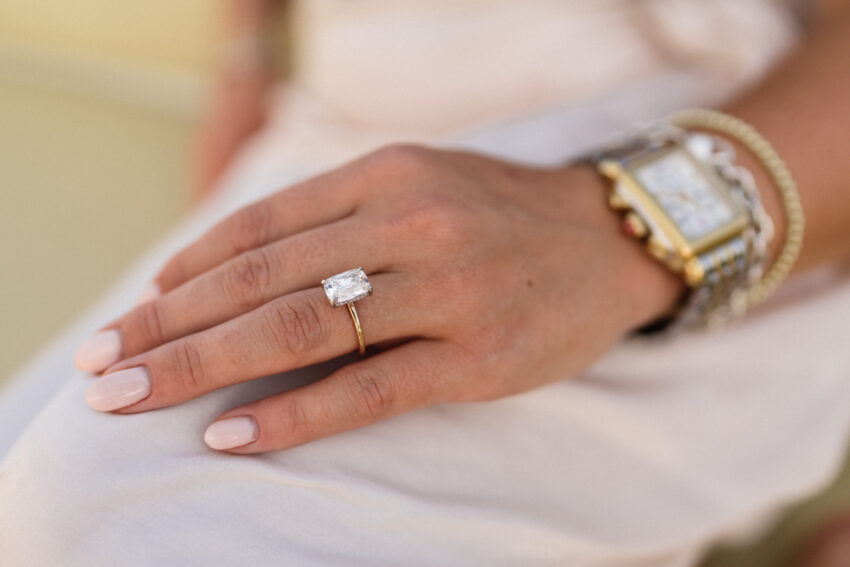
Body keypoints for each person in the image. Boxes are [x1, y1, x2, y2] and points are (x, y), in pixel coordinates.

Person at [2, 1, 850, 565]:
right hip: (343, 132)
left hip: (697, 145)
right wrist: (250, 52)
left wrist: (611, 228)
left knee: (107, 522)